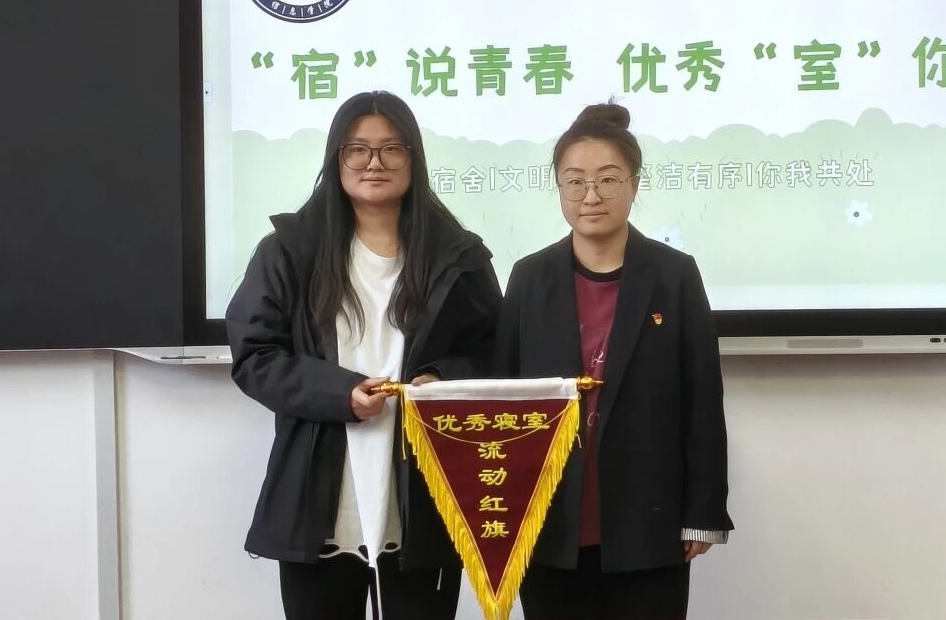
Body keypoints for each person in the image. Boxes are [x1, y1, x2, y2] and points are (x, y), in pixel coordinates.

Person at [226, 91, 501, 620]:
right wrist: (339, 394)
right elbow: (255, 355)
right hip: (317, 492)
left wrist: (440, 379)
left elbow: (494, 353)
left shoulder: (458, 254)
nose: (374, 162)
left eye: (391, 148)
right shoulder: (289, 249)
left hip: (426, 490)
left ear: (413, 158)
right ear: (336, 158)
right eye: (358, 149)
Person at [495, 102, 733, 620]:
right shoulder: (529, 278)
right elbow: (504, 399)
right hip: (549, 518)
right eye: (575, 181)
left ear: (634, 184)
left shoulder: (674, 275)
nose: (591, 195)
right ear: (559, 188)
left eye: (607, 179)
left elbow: (702, 399)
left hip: (648, 519)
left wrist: (703, 511)